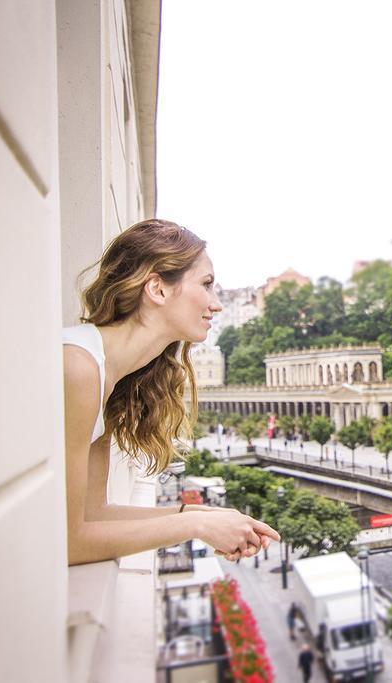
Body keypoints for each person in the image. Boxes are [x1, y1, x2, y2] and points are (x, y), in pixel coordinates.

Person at [62, 219, 280, 565]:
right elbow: (69, 542)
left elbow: (95, 515)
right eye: (207, 285)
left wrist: (199, 515)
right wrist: (195, 523)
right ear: (158, 289)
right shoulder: (78, 369)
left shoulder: (107, 375)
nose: (216, 304)